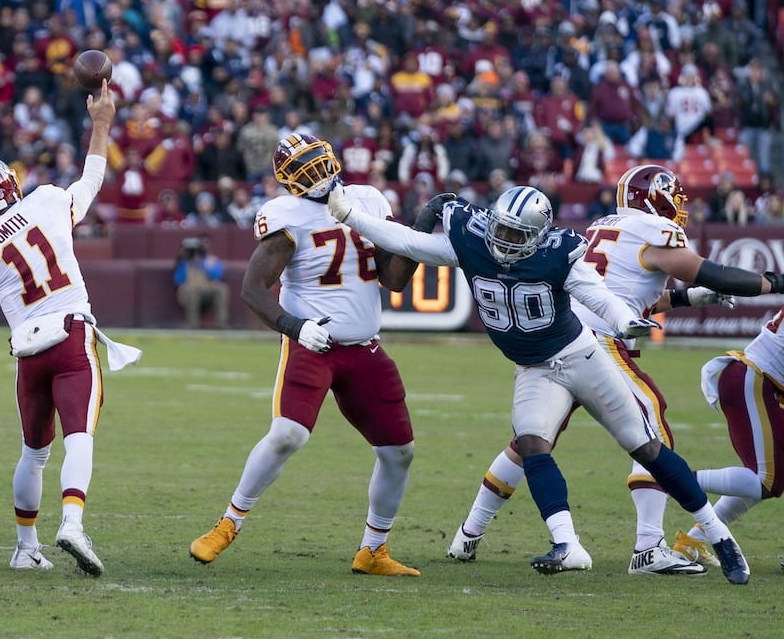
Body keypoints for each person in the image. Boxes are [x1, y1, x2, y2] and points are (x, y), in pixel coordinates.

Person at [327, 183, 752, 584]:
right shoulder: (473, 241)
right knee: (531, 444)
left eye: (516, 232)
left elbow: (598, 296)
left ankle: (720, 537)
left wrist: (625, 322)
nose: (505, 238)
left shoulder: (557, 253)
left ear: (537, 234)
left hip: (582, 357)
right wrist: (349, 214)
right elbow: (406, 242)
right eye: (501, 227)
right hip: (534, 369)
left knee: (646, 447)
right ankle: (567, 544)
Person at [445, 165, 784, 574]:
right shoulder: (653, 232)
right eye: (673, 201)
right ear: (656, 199)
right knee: (652, 431)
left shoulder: (606, 227)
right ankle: (649, 547)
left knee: (530, 441)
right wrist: (773, 282)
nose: (678, 210)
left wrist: (690, 299)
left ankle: (467, 535)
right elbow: (716, 272)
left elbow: (635, 299)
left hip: (564, 336)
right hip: (598, 345)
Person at [187, 133, 425, 576]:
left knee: (400, 452)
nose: (316, 174)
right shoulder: (286, 215)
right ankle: (227, 524)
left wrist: (419, 233)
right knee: (288, 434)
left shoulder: (369, 199)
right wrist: (296, 328)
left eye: (319, 161)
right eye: (303, 167)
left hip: (364, 347)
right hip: (313, 343)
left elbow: (393, 280)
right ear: (285, 181)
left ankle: (373, 550)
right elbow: (252, 289)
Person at [0, 82, 141, 576]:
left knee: (33, 452)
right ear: (11, 184)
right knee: (79, 435)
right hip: (72, 333)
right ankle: (73, 524)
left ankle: (24, 547)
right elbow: (93, 177)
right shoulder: (48, 200)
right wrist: (101, 122)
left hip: (29, 351)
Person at [670, 307, 784, 562]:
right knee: (767, 480)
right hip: (755, 381)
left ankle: (693, 541)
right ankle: (669, 477)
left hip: (758, 382)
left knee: (769, 475)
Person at [173, 237, 229, 329]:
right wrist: (183, 260)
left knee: (222, 289)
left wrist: (202, 265)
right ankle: (192, 324)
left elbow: (217, 276)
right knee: (190, 290)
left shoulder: (211, 260)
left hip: (207, 288)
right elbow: (178, 280)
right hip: (190, 289)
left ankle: (221, 324)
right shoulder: (184, 262)